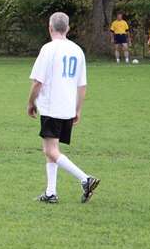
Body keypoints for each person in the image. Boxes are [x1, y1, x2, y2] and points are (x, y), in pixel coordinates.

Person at [27, 12, 100, 204]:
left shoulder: (48, 49)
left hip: (52, 107)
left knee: (50, 150)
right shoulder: (77, 50)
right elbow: (82, 85)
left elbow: (37, 82)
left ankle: (85, 179)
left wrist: (30, 103)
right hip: (67, 106)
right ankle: (51, 193)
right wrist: (78, 109)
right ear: (67, 28)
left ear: (50, 28)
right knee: (52, 150)